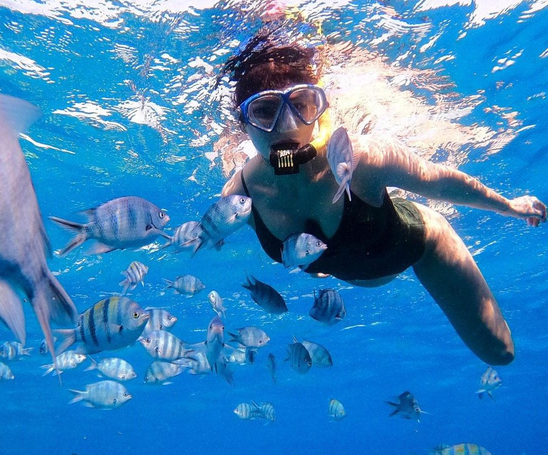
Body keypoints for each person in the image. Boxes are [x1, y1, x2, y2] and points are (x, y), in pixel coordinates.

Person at [220, 32, 546, 365]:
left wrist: (509, 207)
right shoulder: (238, 197)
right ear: (242, 121)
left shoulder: (361, 159)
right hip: (362, 266)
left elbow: (439, 181)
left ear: (318, 108)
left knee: (499, 353)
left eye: (301, 105)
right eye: (264, 111)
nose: (286, 126)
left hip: (421, 244)